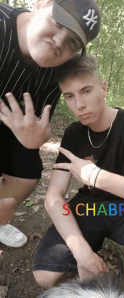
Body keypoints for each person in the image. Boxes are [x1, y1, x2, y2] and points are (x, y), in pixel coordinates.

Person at [32, 53, 124, 288]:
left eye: (86, 91)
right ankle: (92, 263)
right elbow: (53, 196)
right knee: (44, 276)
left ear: (103, 88)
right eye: (69, 96)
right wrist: (82, 253)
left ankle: (120, 283)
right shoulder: (73, 134)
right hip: (90, 207)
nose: (79, 104)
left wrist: (97, 177)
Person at [0, 0, 101, 248]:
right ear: (40, 4)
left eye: (73, 43)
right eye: (58, 23)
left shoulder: (55, 68)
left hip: (8, 124)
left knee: (27, 171)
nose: (59, 42)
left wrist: (35, 138)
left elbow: (37, 117)